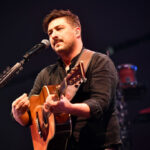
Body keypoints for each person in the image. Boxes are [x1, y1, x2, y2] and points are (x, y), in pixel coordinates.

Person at [11, 9, 121, 150]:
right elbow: (31, 116)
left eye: (59, 29)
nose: (54, 35)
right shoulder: (46, 74)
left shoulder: (98, 62)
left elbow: (99, 105)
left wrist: (68, 108)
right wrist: (19, 115)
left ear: (77, 31)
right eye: (50, 33)